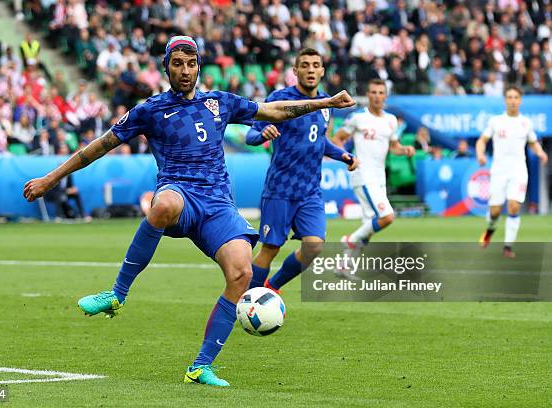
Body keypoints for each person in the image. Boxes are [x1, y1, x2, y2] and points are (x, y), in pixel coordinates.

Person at [23, 36, 355, 387]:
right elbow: (100, 146)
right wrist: (50, 177)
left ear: (199, 66)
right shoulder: (149, 110)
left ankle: (200, 367)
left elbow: (273, 111)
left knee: (242, 273)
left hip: (217, 204)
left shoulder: (220, 102)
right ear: (166, 66)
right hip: (179, 192)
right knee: (163, 204)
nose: (185, 70)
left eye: (191, 63)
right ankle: (117, 294)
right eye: (177, 63)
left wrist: (327, 101)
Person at [245, 48, 357, 293]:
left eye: (315, 65)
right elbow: (250, 134)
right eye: (304, 65)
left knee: (314, 246)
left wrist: (343, 155)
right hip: (280, 189)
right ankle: (247, 298)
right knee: (270, 249)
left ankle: (271, 288)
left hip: (310, 191)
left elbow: (319, 140)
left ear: (322, 70)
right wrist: (262, 134)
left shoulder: (327, 104)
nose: (310, 70)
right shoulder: (280, 98)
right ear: (295, 71)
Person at [333, 79, 415, 271]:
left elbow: (394, 148)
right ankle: (349, 239)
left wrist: (405, 150)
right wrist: (347, 158)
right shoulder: (358, 117)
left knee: (369, 225)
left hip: (379, 177)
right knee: (387, 217)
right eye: (374, 92)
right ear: (368, 95)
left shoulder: (391, 120)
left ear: (385, 96)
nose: (377, 96)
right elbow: (337, 138)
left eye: (381, 92)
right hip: (363, 175)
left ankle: (344, 266)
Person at [476, 86, 548, 258]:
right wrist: (480, 154)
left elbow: (533, 142)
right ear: (505, 100)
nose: (513, 100)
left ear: (520, 100)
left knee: (514, 207)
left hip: (518, 170)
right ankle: (489, 231)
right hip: (499, 170)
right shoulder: (496, 121)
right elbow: (481, 140)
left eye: (516, 97)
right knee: (494, 211)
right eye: (509, 97)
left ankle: (507, 247)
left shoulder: (526, 123)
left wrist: (540, 152)